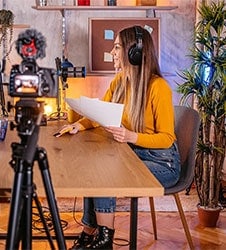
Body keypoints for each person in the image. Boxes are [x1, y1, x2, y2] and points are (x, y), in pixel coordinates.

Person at [56, 25, 181, 249]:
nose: (113, 53)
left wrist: (131, 136)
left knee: (106, 175)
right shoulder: (120, 81)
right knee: (96, 168)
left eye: (117, 47)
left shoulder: (158, 87)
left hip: (163, 162)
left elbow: (167, 138)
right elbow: (101, 114)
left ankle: (104, 240)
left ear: (134, 52)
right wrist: (79, 125)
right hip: (135, 154)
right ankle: (90, 234)